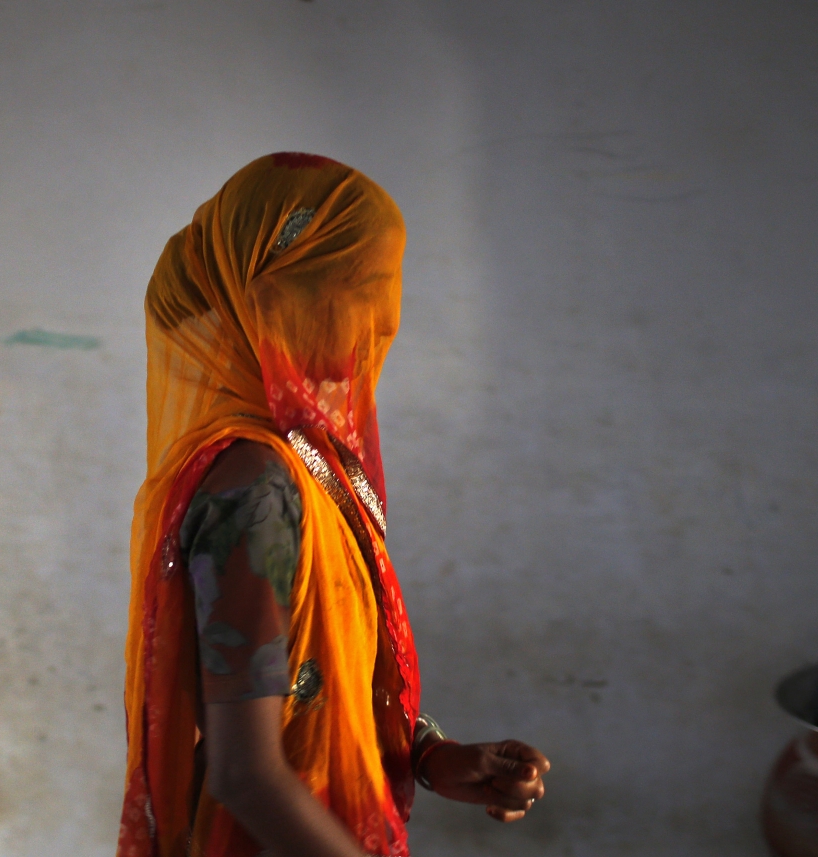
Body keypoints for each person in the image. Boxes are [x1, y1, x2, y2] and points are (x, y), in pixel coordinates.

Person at [117, 153, 549, 857]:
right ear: (278, 294)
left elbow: (308, 682)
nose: (380, 318)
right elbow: (245, 772)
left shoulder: (310, 469)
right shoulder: (253, 483)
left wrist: (432, 755)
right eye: (358, 286)